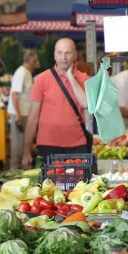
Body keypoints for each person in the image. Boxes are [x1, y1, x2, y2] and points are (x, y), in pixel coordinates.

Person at [22, 38, 90, 168]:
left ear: (75, 55)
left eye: (68, 53)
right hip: (47, 146)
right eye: (60, 53)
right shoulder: (42, 79)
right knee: (48, 187)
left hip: (77, 145)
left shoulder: (84, 78)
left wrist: (71, 78)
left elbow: (86, 104)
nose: (63, 57)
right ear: (54, 54)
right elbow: (33, 117)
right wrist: (26, 151)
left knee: (79, 187)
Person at [8, 50, 38, 169]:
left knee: (25, 144)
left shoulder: (27, 73)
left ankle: (22, 172)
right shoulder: (21, 73)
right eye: (36, 62)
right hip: (19, 114)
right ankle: (15, 174)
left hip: (25, 114)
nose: (37, 64)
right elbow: (14, 95)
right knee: (18, 146)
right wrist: (18, 116)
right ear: (32, 61)